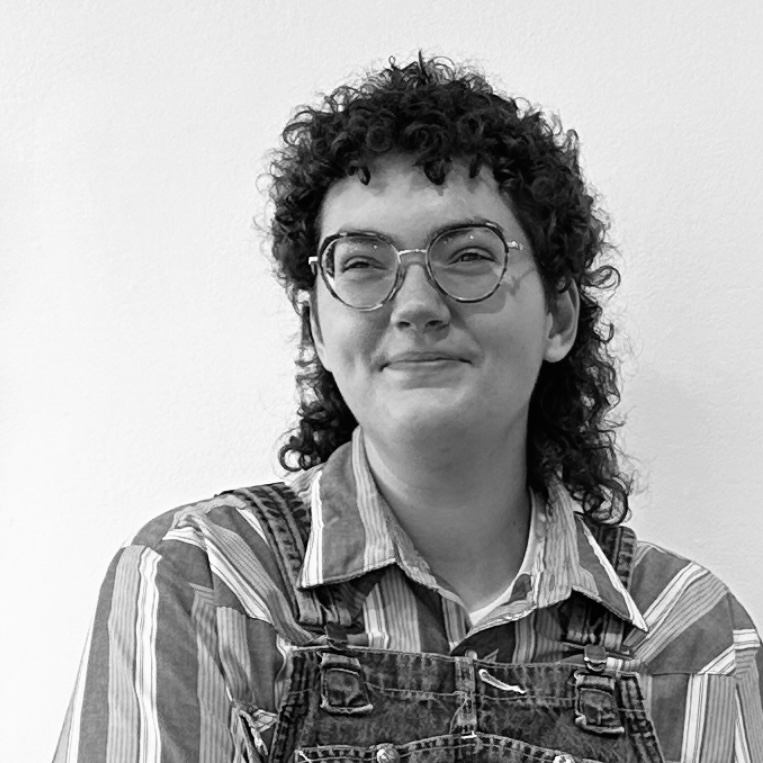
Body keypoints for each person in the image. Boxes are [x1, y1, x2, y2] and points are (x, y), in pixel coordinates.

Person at [54, 56, 763, 763]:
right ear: (317, 329)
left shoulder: (689, 635)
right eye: (361, 262)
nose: (417, 305)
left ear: (558, 317)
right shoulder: (204, 583)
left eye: (468, 256)